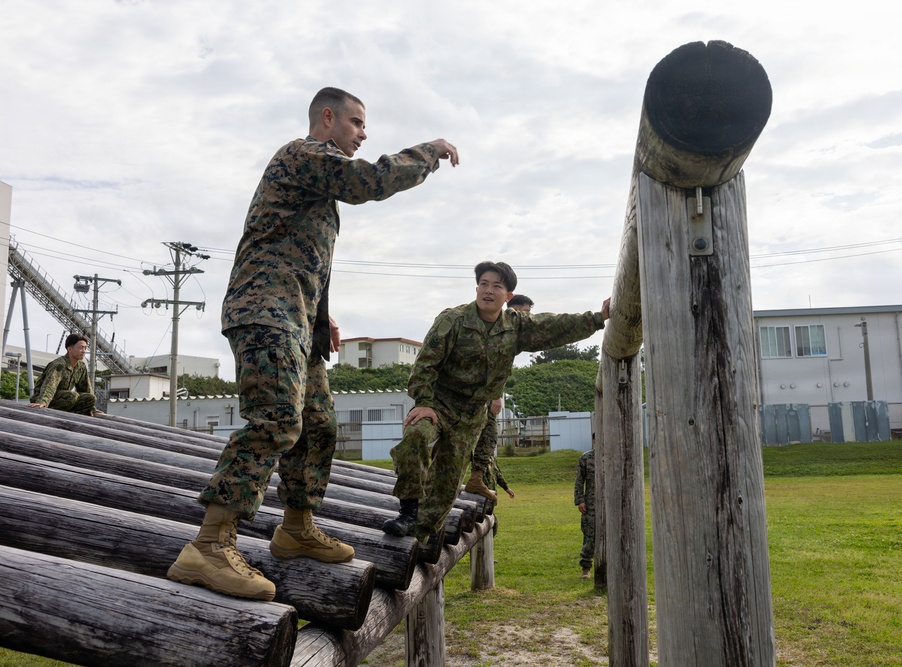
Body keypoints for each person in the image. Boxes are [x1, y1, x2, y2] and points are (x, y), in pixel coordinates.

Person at [167, 86, 460, 601]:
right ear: (328, 117)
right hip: (264, 312)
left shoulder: (317, 184)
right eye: (357, 123)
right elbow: (369, 180)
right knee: (276, 421)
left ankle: (296, 527)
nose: (363, 133)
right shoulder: (303, 155)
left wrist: (321, 321)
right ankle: (209, 544)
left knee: (319, 423)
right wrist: (428, 152)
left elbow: (306, 260)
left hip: (296, 321)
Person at [383, 261, 610, 542]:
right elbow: (424, 365)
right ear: (477, 288)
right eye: (483, 284)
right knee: (415, 438)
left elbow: (555, 326)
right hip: (438, 405)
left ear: (508, 296)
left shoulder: (515, 326)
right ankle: (407, 512)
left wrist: (598, 317)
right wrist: (424, 402)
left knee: (446, 485)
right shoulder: (453, 320)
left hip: (471, 416)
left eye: (496, 286)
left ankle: (420, 537)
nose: (488, 290)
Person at [464, 294, 533, 501]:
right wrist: (495, 396)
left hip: (480, 392)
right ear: (514, 309)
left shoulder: (508, 331)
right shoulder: (499, 326)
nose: (528, 318)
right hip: (471, 392)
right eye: (525, 312)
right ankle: (470, 478)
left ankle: (475, 478)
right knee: (481, 434)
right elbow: (492, 365)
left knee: (484, 435)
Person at [28, 333, 97, 416]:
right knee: (72, 395)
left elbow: (86, 388)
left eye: (85, 348)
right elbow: (50, 386)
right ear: (70, 349)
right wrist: (42, 402)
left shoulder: (81, 366)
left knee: (91, 398)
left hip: (65, 400)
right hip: (44, 398)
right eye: (81, 348)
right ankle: (57, 414)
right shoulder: (59, 365)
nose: (84, 351)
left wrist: (92, 408)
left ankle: (71, 415)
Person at [574, 434, 596, 579]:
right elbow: (579, 481)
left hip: (611, 503)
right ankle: (586, 568)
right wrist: (580, 500)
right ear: (594, 441)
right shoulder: (586, 458)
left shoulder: (614, 456)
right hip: (591, 503)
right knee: (590, 534)